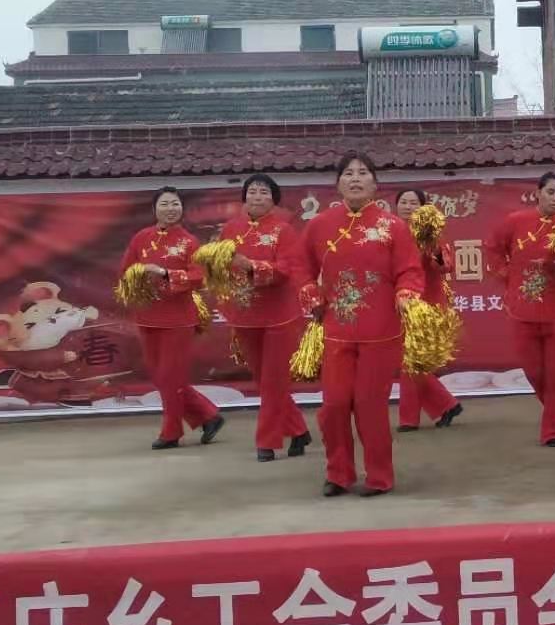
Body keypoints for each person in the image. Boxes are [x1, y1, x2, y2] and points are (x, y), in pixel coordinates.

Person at [301, 152, 424, 497]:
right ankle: (339, 473)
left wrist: (406, 295)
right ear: (338, 183)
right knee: (334, 405)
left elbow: (410, 270)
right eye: (349, 173)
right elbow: (301, 268)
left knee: (370, 406)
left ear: (375, 183)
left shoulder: (393, 226)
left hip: (381, 331)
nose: (355, 178)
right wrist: (311, 294)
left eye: (363, 172)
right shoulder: (319, 225)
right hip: (336, 330)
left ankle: (379, 476)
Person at [485, 172, 555, 447]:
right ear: (537, 193)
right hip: (523, 309)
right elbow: (493, 248)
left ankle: (552, 432)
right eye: (550, 192)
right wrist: (508, 276)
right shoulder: (515, 221)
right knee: (534, 373)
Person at [118, 186, 223, 450]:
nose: (170, 209)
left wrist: (165, 273)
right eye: (164, 204)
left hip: (178, 320)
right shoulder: (141, 238)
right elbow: (125, 271)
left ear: (182, 208)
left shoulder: (189, 241)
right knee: (161, 378)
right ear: (154, 209)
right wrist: (136, 279)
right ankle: (208, 415)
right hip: (147, 317)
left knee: (170, 378)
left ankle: (171, 432)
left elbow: (199, 276)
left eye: (175, 204)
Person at [216, 173, 311, 462]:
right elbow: (220, 268)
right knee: (263, 380)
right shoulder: (230, 229)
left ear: (274, 200)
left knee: (273, 380)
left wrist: (251, 266)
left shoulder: (284, 231)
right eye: (253, 191)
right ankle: (298, 430)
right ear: (244, 197)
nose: (257, 196)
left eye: (264, 192)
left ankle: (267, 442)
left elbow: (286, 270)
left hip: (279, 316)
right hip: (245, 315)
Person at [392, 187, 463, 433]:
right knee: (407, 361)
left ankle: (410, 419)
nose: (408, 206)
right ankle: (446, 405)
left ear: (423, 207)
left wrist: (433, 248)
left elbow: (446, 267)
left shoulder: (431, 234)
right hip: (398, 304)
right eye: (403, 202)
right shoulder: (388, 233)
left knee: (411, 362)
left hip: (425, 306)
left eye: (413, 202)